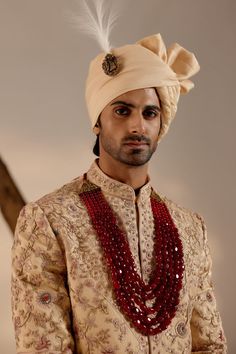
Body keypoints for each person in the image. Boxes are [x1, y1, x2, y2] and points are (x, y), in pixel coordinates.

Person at [11, 31, 227, 353]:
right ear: (98, 121)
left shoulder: (190, 228)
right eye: (122, 111)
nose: (138, 126)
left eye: (150, 113)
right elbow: (42, 346)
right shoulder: (49, 220)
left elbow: (209, 345)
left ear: (160, 122)